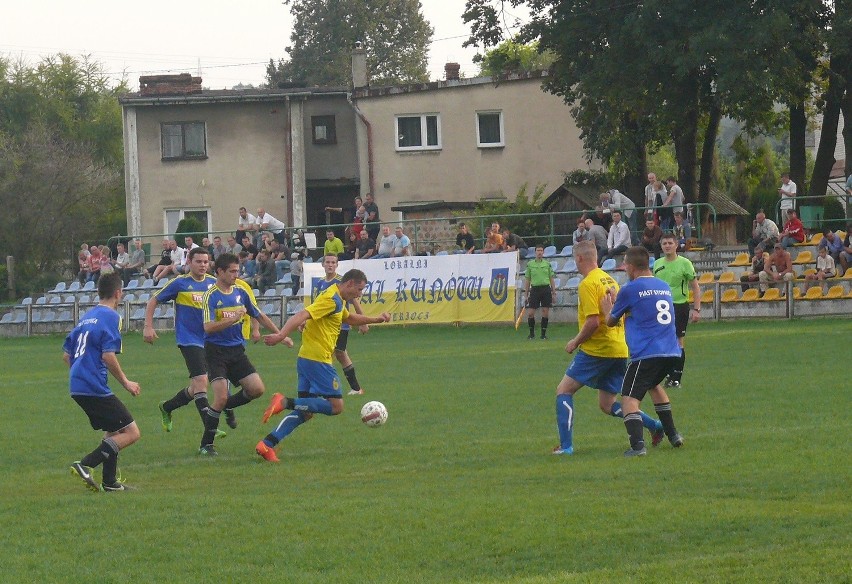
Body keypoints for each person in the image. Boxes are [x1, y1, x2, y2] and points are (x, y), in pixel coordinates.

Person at [256, 269, 391, 462]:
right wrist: (281, 335)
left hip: (306, 358)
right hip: (318, 360)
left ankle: (266, 445)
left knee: (306, 412)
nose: (360, 294)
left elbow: (349, 319)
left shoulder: (337, 298)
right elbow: (302, 315)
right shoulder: (331, 299)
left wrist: (376, 319)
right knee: (336, 406)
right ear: (350, 283)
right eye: (359, 289)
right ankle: (284, 402)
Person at [553, 241, 663, 456]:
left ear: (579, 259)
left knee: (563, 391)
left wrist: (575, 341)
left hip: (598, 350)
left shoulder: (587, 284)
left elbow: (593, 322)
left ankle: (566, 447)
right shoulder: (611, 280)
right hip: (619, 348)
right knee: (607, 404)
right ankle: (654, 425)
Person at [143, 247, 235, 443]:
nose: (202, 265)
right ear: (189, 263)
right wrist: (148, 326)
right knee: (202, 380)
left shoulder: (213, 284)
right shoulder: (180, 283)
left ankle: (167, 407)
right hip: (189, 339)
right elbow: (153, 300)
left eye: (205, 262)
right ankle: (210, 426)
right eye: (198, 261)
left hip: (210, 340)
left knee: (196, 388)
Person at [602, 246, 685, 456]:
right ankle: (673, 435)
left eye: (625, 267)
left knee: (629, 398)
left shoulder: (630, 289)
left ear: (630, 267)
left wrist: (607, 308)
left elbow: (611, 321)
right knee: (654, 386)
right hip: (671, 351)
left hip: (647, 352)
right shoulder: (663, 286)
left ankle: (637, 446)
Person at [198, 253, 281, 455]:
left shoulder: (241, 292)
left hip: (237, 351)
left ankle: (227, 406)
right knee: (219, 397)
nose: (237, 274)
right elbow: (208, 327)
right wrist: (233, 318)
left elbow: (258, 315)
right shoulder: (210, 296)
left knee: (257, 389)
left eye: (238, 270)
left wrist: (280, 334)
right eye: (233, 271)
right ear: (219, 272)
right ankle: (206, 445)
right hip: (215, 352)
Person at [65, 272, 141, 492]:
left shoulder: (86, 317)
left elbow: (66, 354)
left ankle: (110, 483)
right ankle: (85, 464)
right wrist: (126, 382)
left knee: (114, 432)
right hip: (93, 385)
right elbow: (108, 356)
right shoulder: (111, 317)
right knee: (132, 432)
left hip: (77, 384)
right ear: (118, 293)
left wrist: (80, 374)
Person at [312, 254, 371, 395]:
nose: (330, 265)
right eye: (328, 262)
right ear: (323, 264)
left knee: (331, 354)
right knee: (340, 354)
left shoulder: (341, 282)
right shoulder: (319, 283)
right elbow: (315, 305)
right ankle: (355, 388)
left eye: (333, 262)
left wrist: (363, 322)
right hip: (324, 326)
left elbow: (355, 301)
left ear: (337, 265)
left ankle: (327, 389)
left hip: (340, 325)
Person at [651, 233, 701, 387]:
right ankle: (667, 373)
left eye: (670, 243)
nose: (667, 246)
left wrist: (697, 309)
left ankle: (676, 377)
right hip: (660, 307)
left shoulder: (684, 263)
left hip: (679, 306)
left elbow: (695, 286)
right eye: (664, 243)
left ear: (676, 245)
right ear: (661, 246)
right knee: (662, 341)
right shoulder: (657, 264)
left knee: (678, 340)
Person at [524, 245, 556, 340]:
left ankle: (543, 334)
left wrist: (554, 292)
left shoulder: (547, 264)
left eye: (541, 250)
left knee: (545, 312)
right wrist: (526, 294)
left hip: (545, 289)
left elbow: (551, 278)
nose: (539, 252)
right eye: (538, 250)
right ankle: (531, 334)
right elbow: (527, 280)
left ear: (543, 252)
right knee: (530, 313)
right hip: (535, 290)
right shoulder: (530, 264)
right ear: (535, 252)